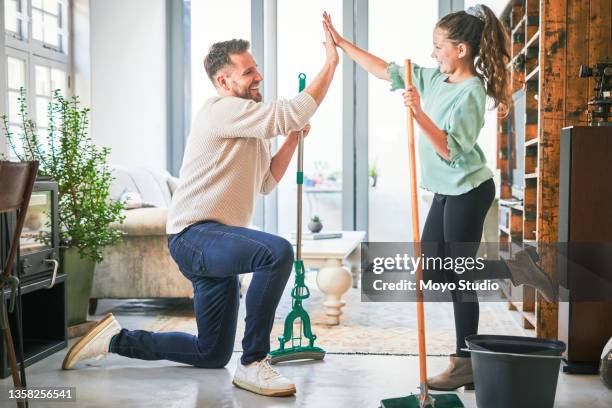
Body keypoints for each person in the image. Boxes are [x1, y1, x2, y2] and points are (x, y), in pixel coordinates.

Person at [61, 27, 340, 398]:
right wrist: (331, 62)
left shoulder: (250, 125)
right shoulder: (221, 109)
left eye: (256, 69)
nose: (258, 76)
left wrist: (291, 138)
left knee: (210, 353)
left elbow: (268, 181)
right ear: (223, 81)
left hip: (214, 242)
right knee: (277, 253)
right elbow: (289, 112)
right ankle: (255, 362)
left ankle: (116, 339)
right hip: (195, 236)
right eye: (248, 72)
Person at [323, 4, 555, 391]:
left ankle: (465, 362)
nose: (433, 53)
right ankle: (515, 272)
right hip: (447, 190)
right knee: (432, 270)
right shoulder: (433, 80)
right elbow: (385, 70)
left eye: (439, 46)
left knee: (461, 277)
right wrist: (343, 44)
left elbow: (450, 149)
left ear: (460, 50)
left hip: (469, 189)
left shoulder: (471, 91)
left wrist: (417, 115)